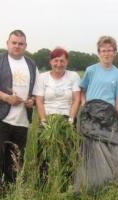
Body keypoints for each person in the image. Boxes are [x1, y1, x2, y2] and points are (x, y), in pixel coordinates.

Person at [0, 29, 39, 195]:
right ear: (7, 43)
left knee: (16, 160)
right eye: (14, 43)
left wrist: (32, 100)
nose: (17, 46)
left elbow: (36, 92)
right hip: (0, 118)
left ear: (25, 45)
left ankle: (9, 194)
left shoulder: (32, 64)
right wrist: (6, 97)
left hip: (22, 121)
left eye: (21, 43)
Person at [74, 36, 118, 191]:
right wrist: (84, 104)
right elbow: (81, 90)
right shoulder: (91, 70)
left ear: (115, 53)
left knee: (108, 148)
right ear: (98, 53)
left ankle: (107, 183)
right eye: (103, 51)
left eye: (110, 50)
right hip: (90, 115)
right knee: (89, 148)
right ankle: (86, 184)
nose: (107, 54)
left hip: (108, 117)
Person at [33, 47, 81, 186]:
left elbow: (76, 99)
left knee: (67, 154)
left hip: (66, 119)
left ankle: (67, 184)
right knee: (44, 155)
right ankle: (42, 184)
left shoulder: (73, 76)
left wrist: (71, 119)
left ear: (67, 62)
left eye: (62, 61)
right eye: (56, 60)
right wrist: (43, 121)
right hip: (48, 119)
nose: (59, 64)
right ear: (50, 62)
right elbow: (39, 101)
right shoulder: (43, 77)